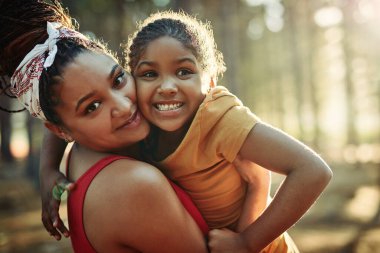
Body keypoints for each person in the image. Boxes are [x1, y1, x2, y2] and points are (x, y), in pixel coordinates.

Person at [41, 10, 332, 253]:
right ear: (132, 78)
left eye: (184, 72)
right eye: (149, 74)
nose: (167, 87)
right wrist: (48, 170)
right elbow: (71, 106)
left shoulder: (219, 118)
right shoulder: (138, 111)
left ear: (211, 81)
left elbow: (313, 170)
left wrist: (247, 242)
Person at [0, 1, 209, 252]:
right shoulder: (135, 185)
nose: (122, 106)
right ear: (61, 130)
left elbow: (63, 114)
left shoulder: (83, 152)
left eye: (118, 79)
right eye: (92, 107)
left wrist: (48, 167)